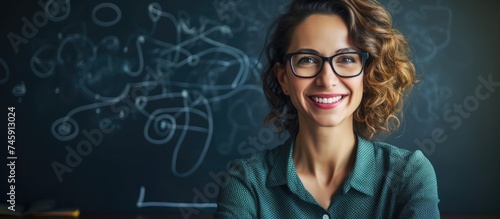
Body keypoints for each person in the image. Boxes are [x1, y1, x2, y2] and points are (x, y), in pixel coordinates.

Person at [215, 0, 439, 218]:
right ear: (283, 78)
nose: (327, 79)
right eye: (307, 60)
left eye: (347, 59)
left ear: (367, 75)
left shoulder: (408, 174)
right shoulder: (246, 182)